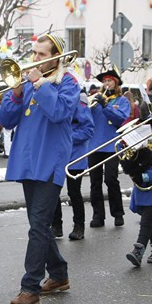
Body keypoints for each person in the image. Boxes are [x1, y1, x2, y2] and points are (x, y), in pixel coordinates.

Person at [0, 33, 80, 304]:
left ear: (56, 57)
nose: (35, 59)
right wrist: (16, 94)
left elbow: (59, 112)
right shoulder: (28, 84)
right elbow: (5, 120)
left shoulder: (67, 82)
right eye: (35, 53)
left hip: (50, 163)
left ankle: (29, 288)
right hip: (28, 162)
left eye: (42, 55)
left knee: (37, 226)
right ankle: (58, 273)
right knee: (38, 224)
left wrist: (39, 83)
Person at [87, 69, 131, 227]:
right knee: (95, 182)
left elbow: (121, 119)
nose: (106, 84)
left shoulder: (122, 101)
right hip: (94, 145)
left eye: (109, 81)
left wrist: (106, 106)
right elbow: (86, 118)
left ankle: (118, 213)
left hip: (112, 145)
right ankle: (98, 216)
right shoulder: (97, 100)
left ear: (116, 83)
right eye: (104, 81)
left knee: (111, 179)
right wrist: (89, 105)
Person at [54, 90, 95, 241]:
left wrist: (67, 138)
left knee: (74, 192)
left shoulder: (80, 104)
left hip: (75, 155)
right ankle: (56, 226)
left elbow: (88, 130)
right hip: (57, 155)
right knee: (53, 192)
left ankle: (79, 226)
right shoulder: (55, 101)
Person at [125, 133, 152, 267]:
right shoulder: (143, 130)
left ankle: (138, 250)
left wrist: (144, 176)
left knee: (147, 219)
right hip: (142, 187)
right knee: (149, 218)